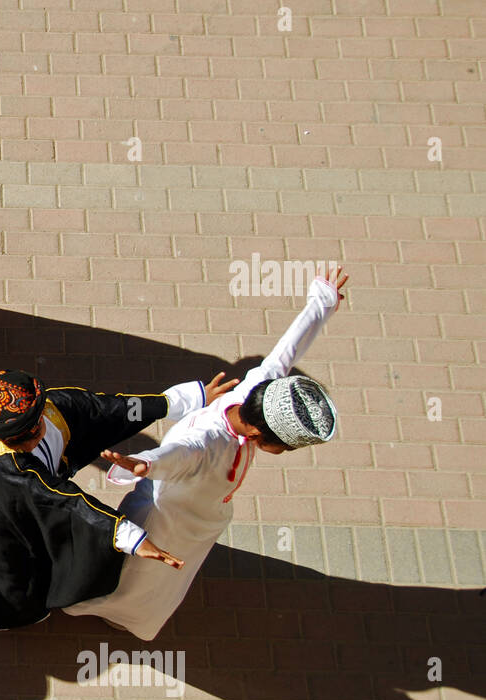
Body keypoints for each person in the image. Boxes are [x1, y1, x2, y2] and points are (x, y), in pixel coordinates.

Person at [65, 267, 348, 639]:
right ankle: (109, 610)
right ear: (263, 434)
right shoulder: (208, 442)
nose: (282, 453)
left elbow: (286, 351)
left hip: (203, 520)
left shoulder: (256, 390)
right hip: (165, 521)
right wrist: (144, 464)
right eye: (285, 446)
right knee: (139, 575)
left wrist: (322, 302)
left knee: (164, 581)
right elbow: (179, 454)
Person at [0, 369, 239, 630]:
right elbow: (65, 502)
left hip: (21, 501)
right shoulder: (13, 471)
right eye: (19, 437)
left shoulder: (56, 405)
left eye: (35, 425)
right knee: (4, 564)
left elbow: (109, 408)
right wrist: (130, 537)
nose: (34, 437)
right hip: (4, 513)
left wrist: (188, 399)